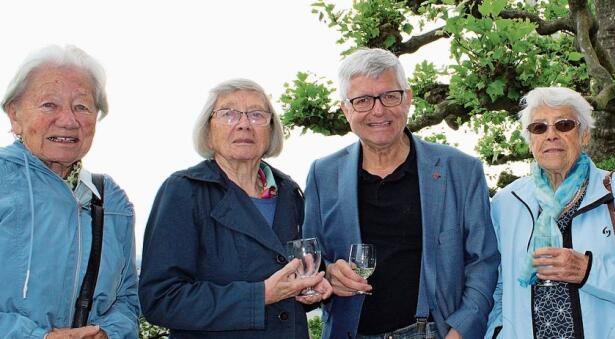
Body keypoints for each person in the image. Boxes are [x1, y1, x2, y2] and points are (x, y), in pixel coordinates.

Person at [303, 48, 499, 339]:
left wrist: (461, 331)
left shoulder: (461, 169)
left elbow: (483, 261)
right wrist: (329, 274)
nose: (378, 110)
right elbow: (311, 259)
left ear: (408, 99)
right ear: (346, 110)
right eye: (363, 100)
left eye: (389, 96)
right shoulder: (323, 173)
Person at [138, 79, 332, 338]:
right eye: (228, 114)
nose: (243, 124)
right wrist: (259, 296)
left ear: (271, 129)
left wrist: (315, 287)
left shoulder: (289, 192)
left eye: (256, 114)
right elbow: (160, 299)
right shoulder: (184, 191)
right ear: (208, 130)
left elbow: (301, 273)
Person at [486, 87, 615, 339]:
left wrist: (588, 270)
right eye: (539, 127)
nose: (551, 135)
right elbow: (496, 289)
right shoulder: (506, 203)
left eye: (564, 125)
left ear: (585, 135)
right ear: (530, 139)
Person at [0, 45, 139, 338]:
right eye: (49, 104)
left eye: (82, 106)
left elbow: (127, 299)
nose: (68, 120)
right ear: (15, 114)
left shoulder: (110, 197)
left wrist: (108, 333)